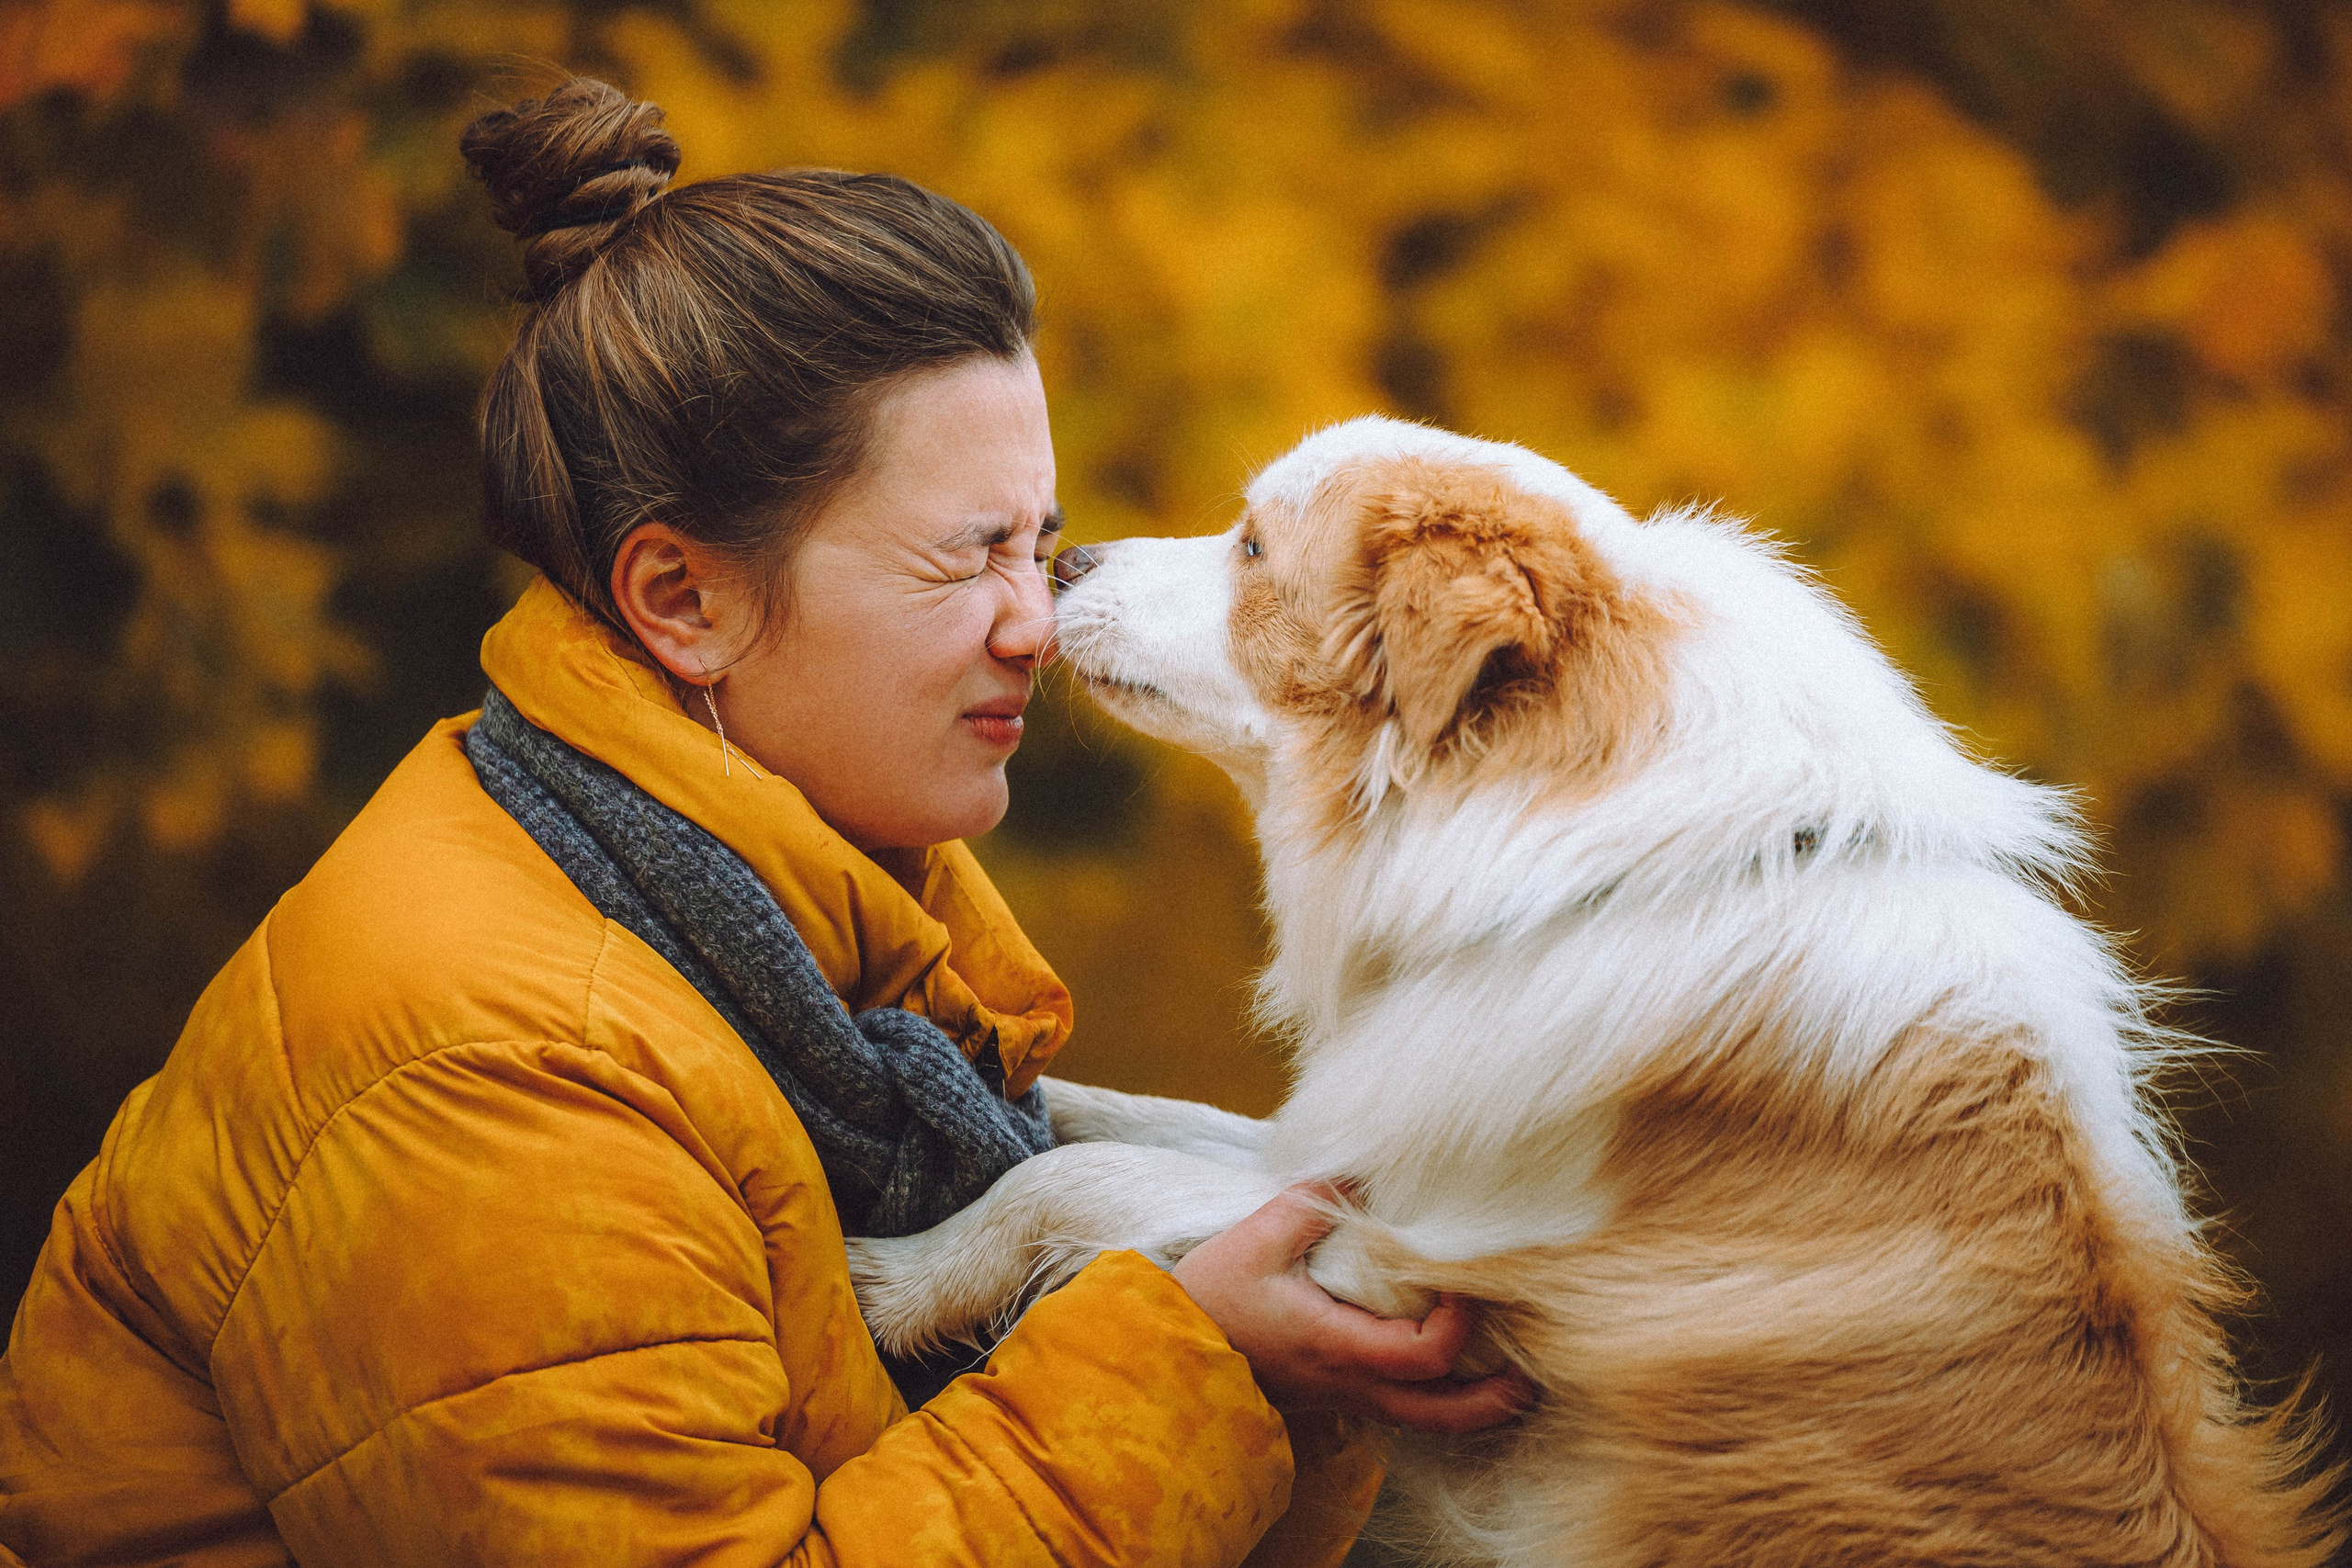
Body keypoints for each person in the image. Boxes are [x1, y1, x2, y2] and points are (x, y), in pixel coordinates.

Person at [0, 78, 1525, 1568]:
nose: (1037, 624)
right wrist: (1192, 1367)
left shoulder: (833, 964)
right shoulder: (498, 1079)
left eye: (1040, 546)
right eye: (969, 556)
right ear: (685, 601)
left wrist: (1276, 1365)